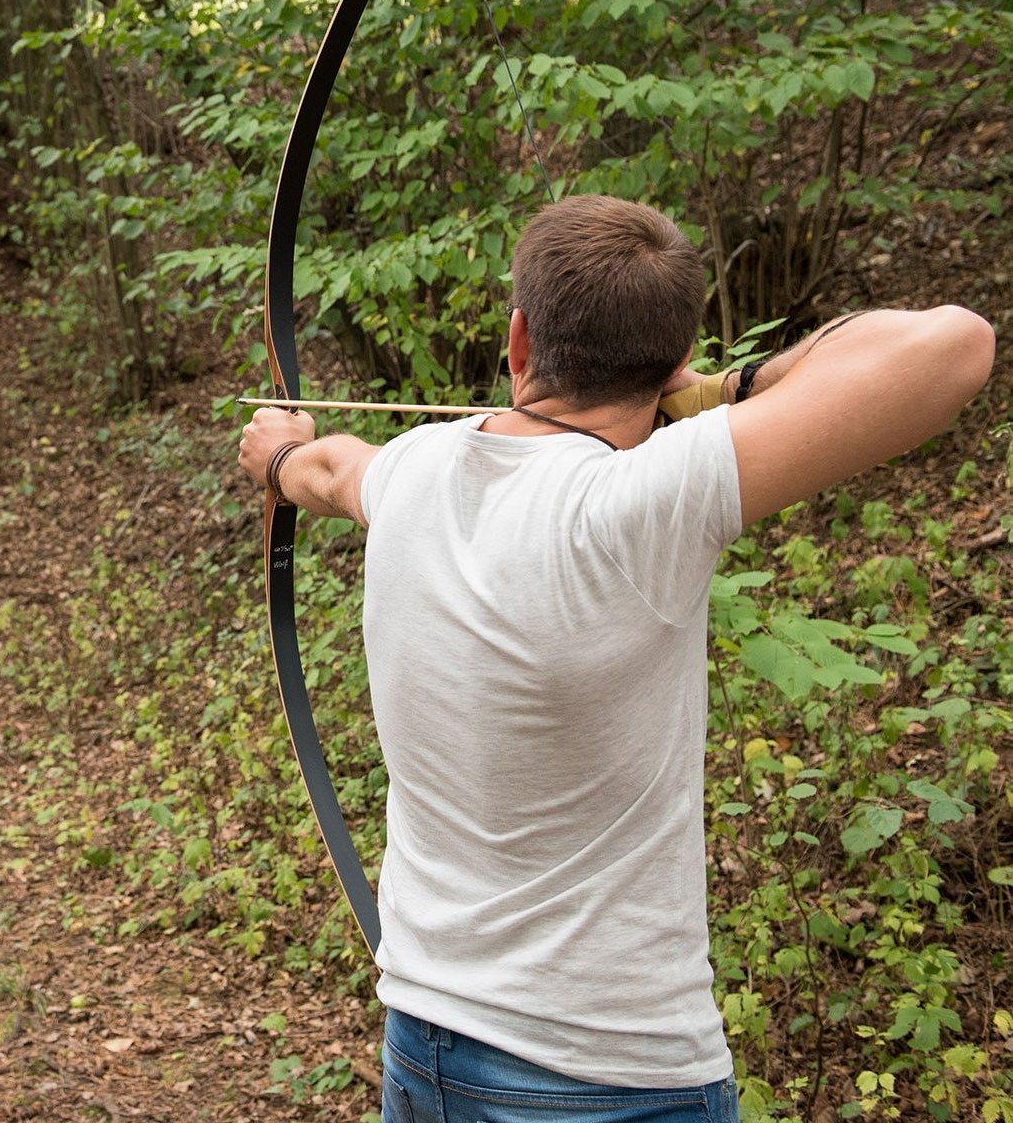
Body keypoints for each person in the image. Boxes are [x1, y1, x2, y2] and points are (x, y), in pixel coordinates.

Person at [237, 194, 995, 1123]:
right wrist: (722, 388)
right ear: (672, 365)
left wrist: (278, 456)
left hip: (423, 1040)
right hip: (605, 1075)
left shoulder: (412, 471)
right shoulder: (641, 507)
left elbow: (328, 468)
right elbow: (955, 341)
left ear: (518, 342)